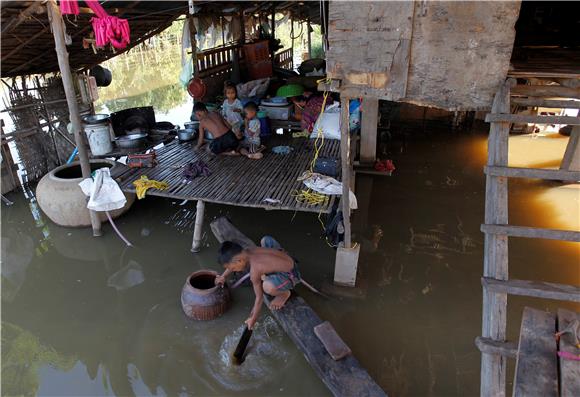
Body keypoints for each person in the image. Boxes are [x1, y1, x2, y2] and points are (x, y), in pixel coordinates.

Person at [215, 236, 301, 330]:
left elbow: (259, 298)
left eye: (233, 269)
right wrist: (223, 276)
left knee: (267, 287)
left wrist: (253, 318)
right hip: (286, 257)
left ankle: (284, 294)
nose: (233, 270)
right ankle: (273, 270)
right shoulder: (248, 250)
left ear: (239, 261)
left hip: (291, 274)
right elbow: (231, 264)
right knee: (265, 240)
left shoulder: (255, 270)